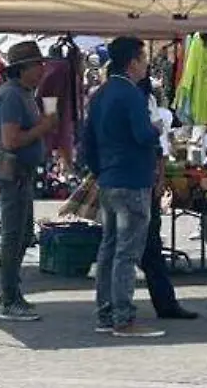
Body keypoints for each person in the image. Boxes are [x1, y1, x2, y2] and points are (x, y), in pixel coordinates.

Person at [81, 38, 165, 338]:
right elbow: (143, 135)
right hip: (131, 178)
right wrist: (157, 129)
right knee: (126, 251)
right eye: (143, 59)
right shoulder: (130, 94)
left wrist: (98, 169)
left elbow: (86, 140)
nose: (145, 65)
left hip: (108, 178)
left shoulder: (101, 93)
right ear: (132, 62)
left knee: (109, 248)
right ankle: (122, 317)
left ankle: (105, 312)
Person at [0, 40, 56, 322]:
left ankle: (10, 293)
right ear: (22, 69)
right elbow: (11, 140)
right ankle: (9, 297)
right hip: (13, 173)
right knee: (14, 236)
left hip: (21, 173)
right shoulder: (12, 97)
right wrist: (44, 126)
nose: (42, 69)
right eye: (37, 65)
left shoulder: (23, 94)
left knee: (23, 235)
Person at [137, 75, 198, 320]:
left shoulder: (146, 101)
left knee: (140, 247)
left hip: (140, 179)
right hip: (135, 180)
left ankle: (164, 302)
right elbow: (154, 144)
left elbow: (159, 147)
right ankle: (117, 309)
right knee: (131, 248)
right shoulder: (133, 100)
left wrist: (160, 178)